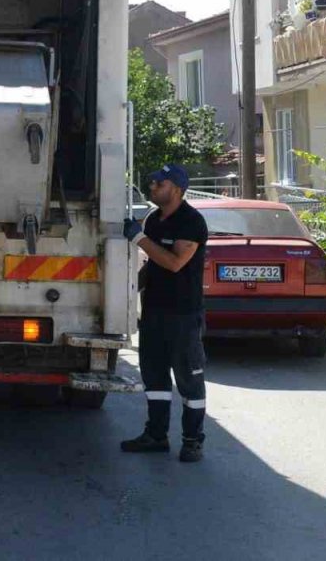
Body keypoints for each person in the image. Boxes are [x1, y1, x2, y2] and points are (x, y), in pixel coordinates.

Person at [119, 164, 210, 463]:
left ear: (177, 188)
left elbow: (174, 263)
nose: (153, 186)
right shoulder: (154, 220)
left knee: (189, 381)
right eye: (152, 182)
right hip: (155, 312)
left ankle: (192, 441)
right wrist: (127, 292)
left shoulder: (191, 222)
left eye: (159, 183)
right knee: (155, 379)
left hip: (183, 315)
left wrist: (139, 239)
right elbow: (154, 266)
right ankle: (156, 435)